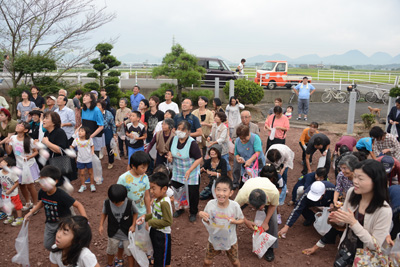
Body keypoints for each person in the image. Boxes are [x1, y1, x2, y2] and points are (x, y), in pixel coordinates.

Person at [329, 160, 392, 265]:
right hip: (345, 250)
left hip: (365, 259)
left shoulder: (384, 210)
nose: (355, 181)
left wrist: (353, 223)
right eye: (355, 176)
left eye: (360, 178)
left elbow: (374, 245)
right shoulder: (351, 193)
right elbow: (344, 223)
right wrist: (336, 220)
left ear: (376, 181)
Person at [24, 166, 87, 250]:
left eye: (45, 181)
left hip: (63, 223)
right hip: (50, 223)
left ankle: (66, 253)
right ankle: (59, 251)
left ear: (55, 181)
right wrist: (31, 212)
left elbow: (78, 205)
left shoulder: (61, 195)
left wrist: (85, 220)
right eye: (41, 181)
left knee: (66, 243)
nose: (42, 184)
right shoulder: (42, 192)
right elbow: (42, 202)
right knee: (47, 245)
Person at [199, 176, 244, 267]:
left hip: (231, 240)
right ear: (215, 191)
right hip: (214, 238)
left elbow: (242, 220)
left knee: (235, 262)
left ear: (231, 192)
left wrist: (234, 221)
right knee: (207, 262)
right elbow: (207, 220)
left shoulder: (234, 206)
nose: (221, 193)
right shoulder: (210, 204)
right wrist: (202, 215)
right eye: (218, 190)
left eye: (224, 190)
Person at [234, 177, 280, 262]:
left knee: (273, 220)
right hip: (250, 185)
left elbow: (273, 205)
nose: (258, 210)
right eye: (255, 208)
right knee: (234, 217)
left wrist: (266, 222)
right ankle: (231, 241)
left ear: (266, 200)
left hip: (266, 185)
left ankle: (270, 248)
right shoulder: (242, 195)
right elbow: (234, 208)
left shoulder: (274, 193)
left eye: (261, 207)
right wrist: (246, 221)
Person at [167, 120, 202, 222]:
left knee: (193, 193)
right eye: (178, 129)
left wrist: (190, 170)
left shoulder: (192, 143)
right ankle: (180, 208)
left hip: (191, 173)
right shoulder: (173, 139)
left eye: (183, 129)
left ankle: (193, 212)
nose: (180, 131)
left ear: (188, 131)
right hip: (178, 171)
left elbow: (199, 158)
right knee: (178, 191)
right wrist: (170, 157)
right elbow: (170, 151)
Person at [137, 172, 173, 267]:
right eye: (150, 188)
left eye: (154, 189)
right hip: (155, 231)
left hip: (162, 235)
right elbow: (155, 214)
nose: (151, 191)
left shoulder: (164, 203)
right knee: (158, 255)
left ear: (164, 189)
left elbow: (168, 221)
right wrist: (145, 217)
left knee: (161, 259)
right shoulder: (158, 199)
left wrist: (151, 222)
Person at [99, 184, 138, 267]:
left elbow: (135, 212)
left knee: (130, 252)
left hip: (127, 233)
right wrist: (101, 225)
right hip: (113, 232)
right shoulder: (106, 203)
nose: (116, 204)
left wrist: (133, 225)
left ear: (124, 198)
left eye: (119, 202)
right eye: (113, 202)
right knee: (111, 250)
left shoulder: (130, 203)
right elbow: (104, 213)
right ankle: (110, 264)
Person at [5, 121, 40, 212]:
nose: (18, 126)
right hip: (19, 165)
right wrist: (6, 144)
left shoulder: (30, 140)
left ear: (26, 130)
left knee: (30, 186)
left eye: (21, 125)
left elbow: (36, 151)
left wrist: (30, 156)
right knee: (21, 185)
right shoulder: (13, 138)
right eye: (18, 124)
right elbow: (9, 152)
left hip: (29, 165)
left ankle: (36, 205)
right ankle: (28, 203)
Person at [71, 127, 95, 193]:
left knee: (90, 172)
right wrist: (69, 149)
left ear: (86, 133)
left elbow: (92, 145)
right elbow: (72, 146)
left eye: (82, 131)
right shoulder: (76, 140)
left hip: (89, 159)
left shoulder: (89, 140)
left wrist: (92, 151)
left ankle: (92, 185)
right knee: (81, 173)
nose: (79, 132)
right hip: (80, 160)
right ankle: (83, 185)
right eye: (79, 131)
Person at [0, 157, 23, 226]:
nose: (1, 162)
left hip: (13, 193)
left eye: (4, 162)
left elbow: (17, 182)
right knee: (7, 205)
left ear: (9, 166)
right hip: (4, 193)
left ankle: (19, 218)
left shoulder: (12, 173)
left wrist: (10, 190)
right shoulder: (0, 172)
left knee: (17, 205)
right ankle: (10, 216)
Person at [207, 112, 231, 176]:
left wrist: (213, 142)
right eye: (215, 116)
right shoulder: (214, 125)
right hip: (216, 147)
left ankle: (230, 177)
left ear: (221, 119)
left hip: (223, 148)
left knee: (226, 163)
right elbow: (212, 133)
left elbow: (222, 139)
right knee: (215, 161)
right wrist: (209, 137)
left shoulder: (224, 128)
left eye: (217, 117)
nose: (215, 118)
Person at [97, 100, 117, 169]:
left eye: (99, 105)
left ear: (103, 107)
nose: (97, 107)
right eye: (96, 105)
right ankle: (96, 162)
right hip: (98, 131)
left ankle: (111, 162)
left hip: (107, 131)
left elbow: (113, 124)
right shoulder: (95, 113)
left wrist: (114, 134)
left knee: (109, 147)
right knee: (97, 146)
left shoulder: (108, 113)